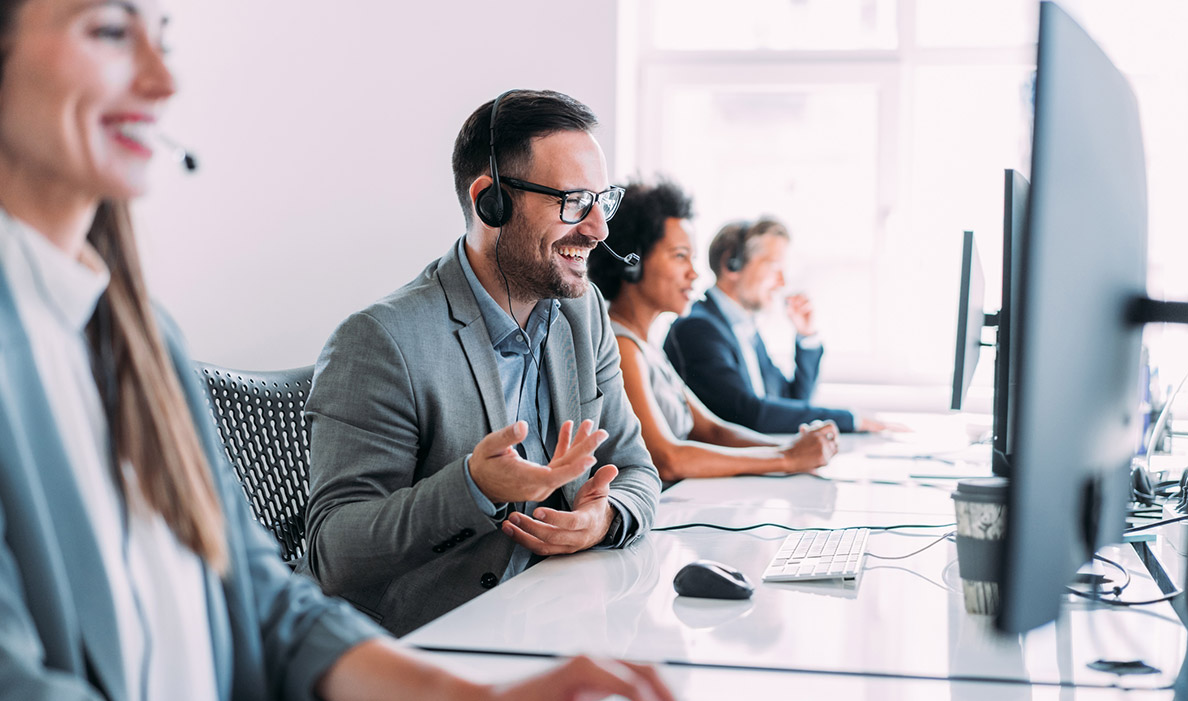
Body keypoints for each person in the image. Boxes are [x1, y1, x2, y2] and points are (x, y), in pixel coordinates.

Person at [0, 3, 687, 701]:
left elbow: (272, 605)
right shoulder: (383, 340)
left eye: (163, 39)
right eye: (107, 31)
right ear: (490, 200)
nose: (165, 81)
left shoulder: (137, 337)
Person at [296, 90, 659, 637]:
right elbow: (334, 552)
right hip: (430, 645)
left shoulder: (582, 315)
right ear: (491, 201)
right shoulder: (379, 340)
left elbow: (636, 469)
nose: (598, 229)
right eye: (573, 202)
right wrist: (473, 487)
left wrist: (599, 519)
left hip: (559, 623)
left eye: (601, 201)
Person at [586, 179, 839, 482]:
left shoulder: (645, 345)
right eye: (680, 256)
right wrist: (786, 458)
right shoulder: (622, 346)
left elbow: (712, 429)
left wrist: (793, 448)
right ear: (632, 262)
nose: (694, 274)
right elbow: (667, 458)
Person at [664, 217, 890, 435]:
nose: (782, 282)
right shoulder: (697, 328)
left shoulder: (743, 328)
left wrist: (806, 336)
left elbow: (792, 402)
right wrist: (850, 420)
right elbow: (750, 415)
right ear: (731, 264)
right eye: (774, 267)